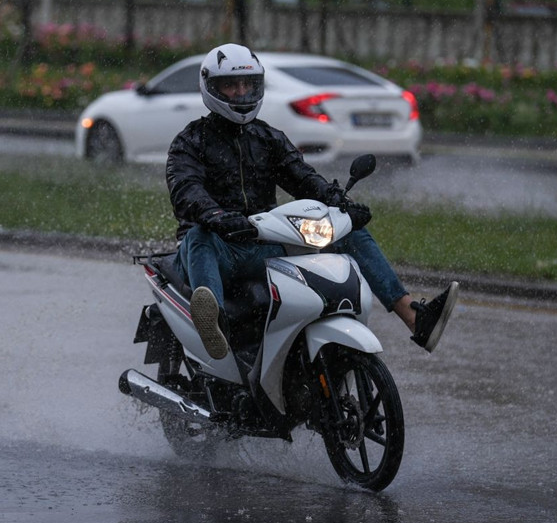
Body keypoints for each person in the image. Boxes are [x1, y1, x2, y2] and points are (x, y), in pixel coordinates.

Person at [166, 43, 458, 360]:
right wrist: (215, 215)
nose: (240, 92)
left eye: (246, 84)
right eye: (230, 85)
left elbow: (303, 178)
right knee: (199, 237)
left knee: (347, 231)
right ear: (211, 87)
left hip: (264, 240)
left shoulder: (268, 137)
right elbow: (185, 189)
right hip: (219, 246)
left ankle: (413, 316)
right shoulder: (190, 141)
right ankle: (215, 322)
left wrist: (339, 201)